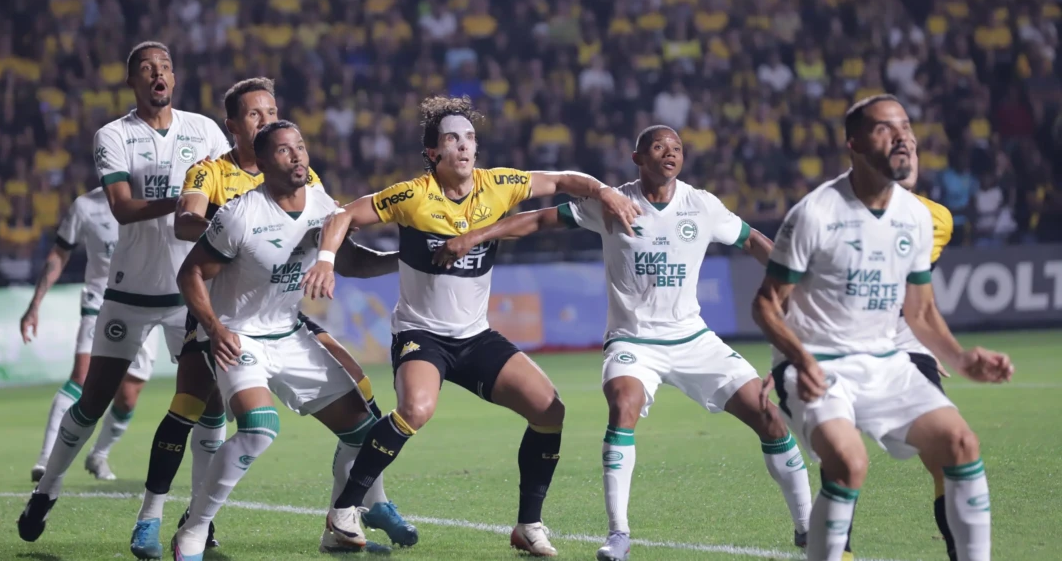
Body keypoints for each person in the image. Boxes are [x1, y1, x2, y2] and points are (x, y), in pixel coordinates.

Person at [434, 126, 812, 561]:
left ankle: (807, 527)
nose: (670, 153)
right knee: (623, 405)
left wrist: (791, 282)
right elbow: (538, 219)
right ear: (638, 158)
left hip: (694, 339)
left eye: (677, 148)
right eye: (659, 147)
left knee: (769, 416)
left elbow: (751, 240)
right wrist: (474, 236)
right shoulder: (612, 203)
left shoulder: (702, 205)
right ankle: (619, 534)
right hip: (633, 341)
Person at [301, 95, 641, 556]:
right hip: (421, 333)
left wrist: (604, 191)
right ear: (432, 152)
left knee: (549, 410)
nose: (463, 146)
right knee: (416, 409)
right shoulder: (412, 195)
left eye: (470, 138)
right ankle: (343, 512)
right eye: (451, 139)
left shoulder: (498, 185)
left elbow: (562, 180)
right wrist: (325, 260)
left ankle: (528, 525)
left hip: (475, 336)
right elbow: (344, 214)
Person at [133, 78, 415, 555]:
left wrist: (403, 260)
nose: (297, 157)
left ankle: (339, 527)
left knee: (365, 432)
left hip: (288, 332)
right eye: (284, 151)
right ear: (262, 164)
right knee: (258, 427)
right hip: (238, 336)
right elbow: (190, 273)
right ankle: (193, 529)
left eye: (300, 147)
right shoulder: (239, 214)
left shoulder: (323, 204)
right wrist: (215, 328)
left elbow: (349, 260)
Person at [752, 94, 1013, 561]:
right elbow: (766, 304)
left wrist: (960, 357)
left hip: (885, 359)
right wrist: (799, 359)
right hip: (820, 362)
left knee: (960, 443)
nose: (903, 138)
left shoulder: (915, 216)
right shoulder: (815, 213)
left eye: (906, 127)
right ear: (853, 144)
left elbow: (921, 312)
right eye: (884, 129)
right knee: (849, 462)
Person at [18, 41, 231, 546]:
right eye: (147, 68)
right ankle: (47, 489)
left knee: (211, 405)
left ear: (174, 78)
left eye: (166, 67)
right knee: (93, 400)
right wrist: (182, 202)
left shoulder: (205, 131)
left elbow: (230, 190)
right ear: (132, 80)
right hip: (129, 293)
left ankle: (201, 516)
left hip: (190, 296)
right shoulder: (114, 135)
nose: (159, 74)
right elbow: (122, 207)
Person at [842, 148, 958, 560]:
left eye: (909, 149)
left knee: (950, 451)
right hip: (845, 345)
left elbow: (911, 289)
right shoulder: (832, 214)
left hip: (905, 346)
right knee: (844, 457)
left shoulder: (936, 218)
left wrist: (929, 341)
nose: (904, 158)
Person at [20, 187, 159, 483]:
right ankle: (45, 459)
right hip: (101, 300)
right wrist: (35, 304)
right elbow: (59, 252)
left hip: (145, 303)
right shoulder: (85, 206)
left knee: (128, 396)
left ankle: (99, 455)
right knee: (82, 378)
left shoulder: (152, 195)